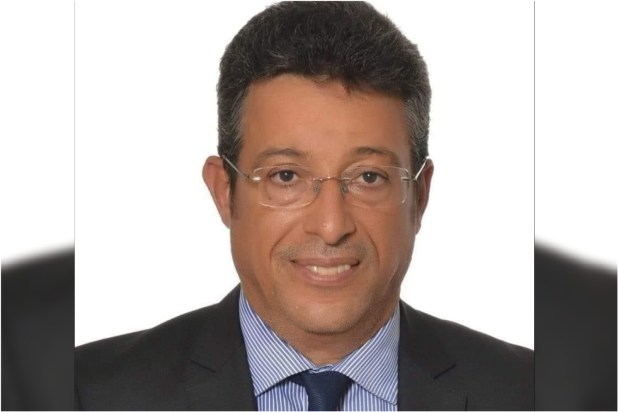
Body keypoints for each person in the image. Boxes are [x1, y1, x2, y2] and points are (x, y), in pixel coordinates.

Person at [74, 2, 533, 410]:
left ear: (420, 196)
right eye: (286, 176)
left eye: (369, 177)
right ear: (224, 191)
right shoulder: (84, 395)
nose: (331, 226)